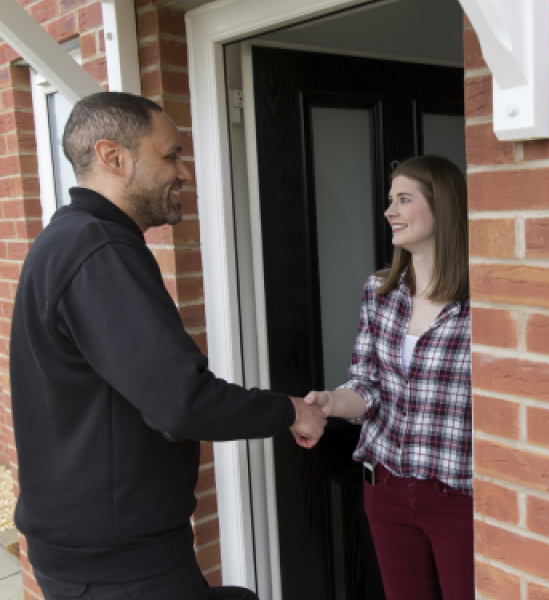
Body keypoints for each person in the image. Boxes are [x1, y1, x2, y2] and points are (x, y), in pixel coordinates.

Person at [10, 92, 328, 600]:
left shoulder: (70, 240)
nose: (185, 173)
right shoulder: (97, 248)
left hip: (102, 555)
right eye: (171, 155)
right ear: (114, 157)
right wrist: (289, 410)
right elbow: (180, 402)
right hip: (119, 567)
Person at [306, 155, 473, 600]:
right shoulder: (380, 291)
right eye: (389, 200)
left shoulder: (483, 302)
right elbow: (366, 384)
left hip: (458, 495)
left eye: (403, 199)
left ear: (444, 207)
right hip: (387, 490)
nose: (389, 211)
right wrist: (329, 402)